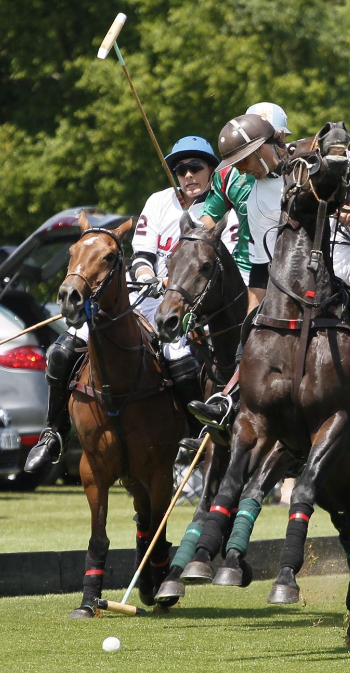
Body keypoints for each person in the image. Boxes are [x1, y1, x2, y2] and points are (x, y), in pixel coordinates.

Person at [192, 110, 350, 432]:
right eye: (235, 164)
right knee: (258, 317)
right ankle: (232, 392)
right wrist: (254, 315)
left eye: (245, 160)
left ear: (266, 145)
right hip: (320, 252)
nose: (240, 169)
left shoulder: (316, 149)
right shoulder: (259, 196)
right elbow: (264, 266)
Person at [25, 136, 220, 472]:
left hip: (184, 307)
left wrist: (173, 288)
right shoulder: (159, 202)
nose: (188, 175)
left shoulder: (219, 207)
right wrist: (146, 276)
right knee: (61, 351)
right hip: (142, 298)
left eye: (195, 167)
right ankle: (53, 432)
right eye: (180, 169)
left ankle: (193, 435)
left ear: (211, 170)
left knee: (178, 356)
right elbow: (142, 253)